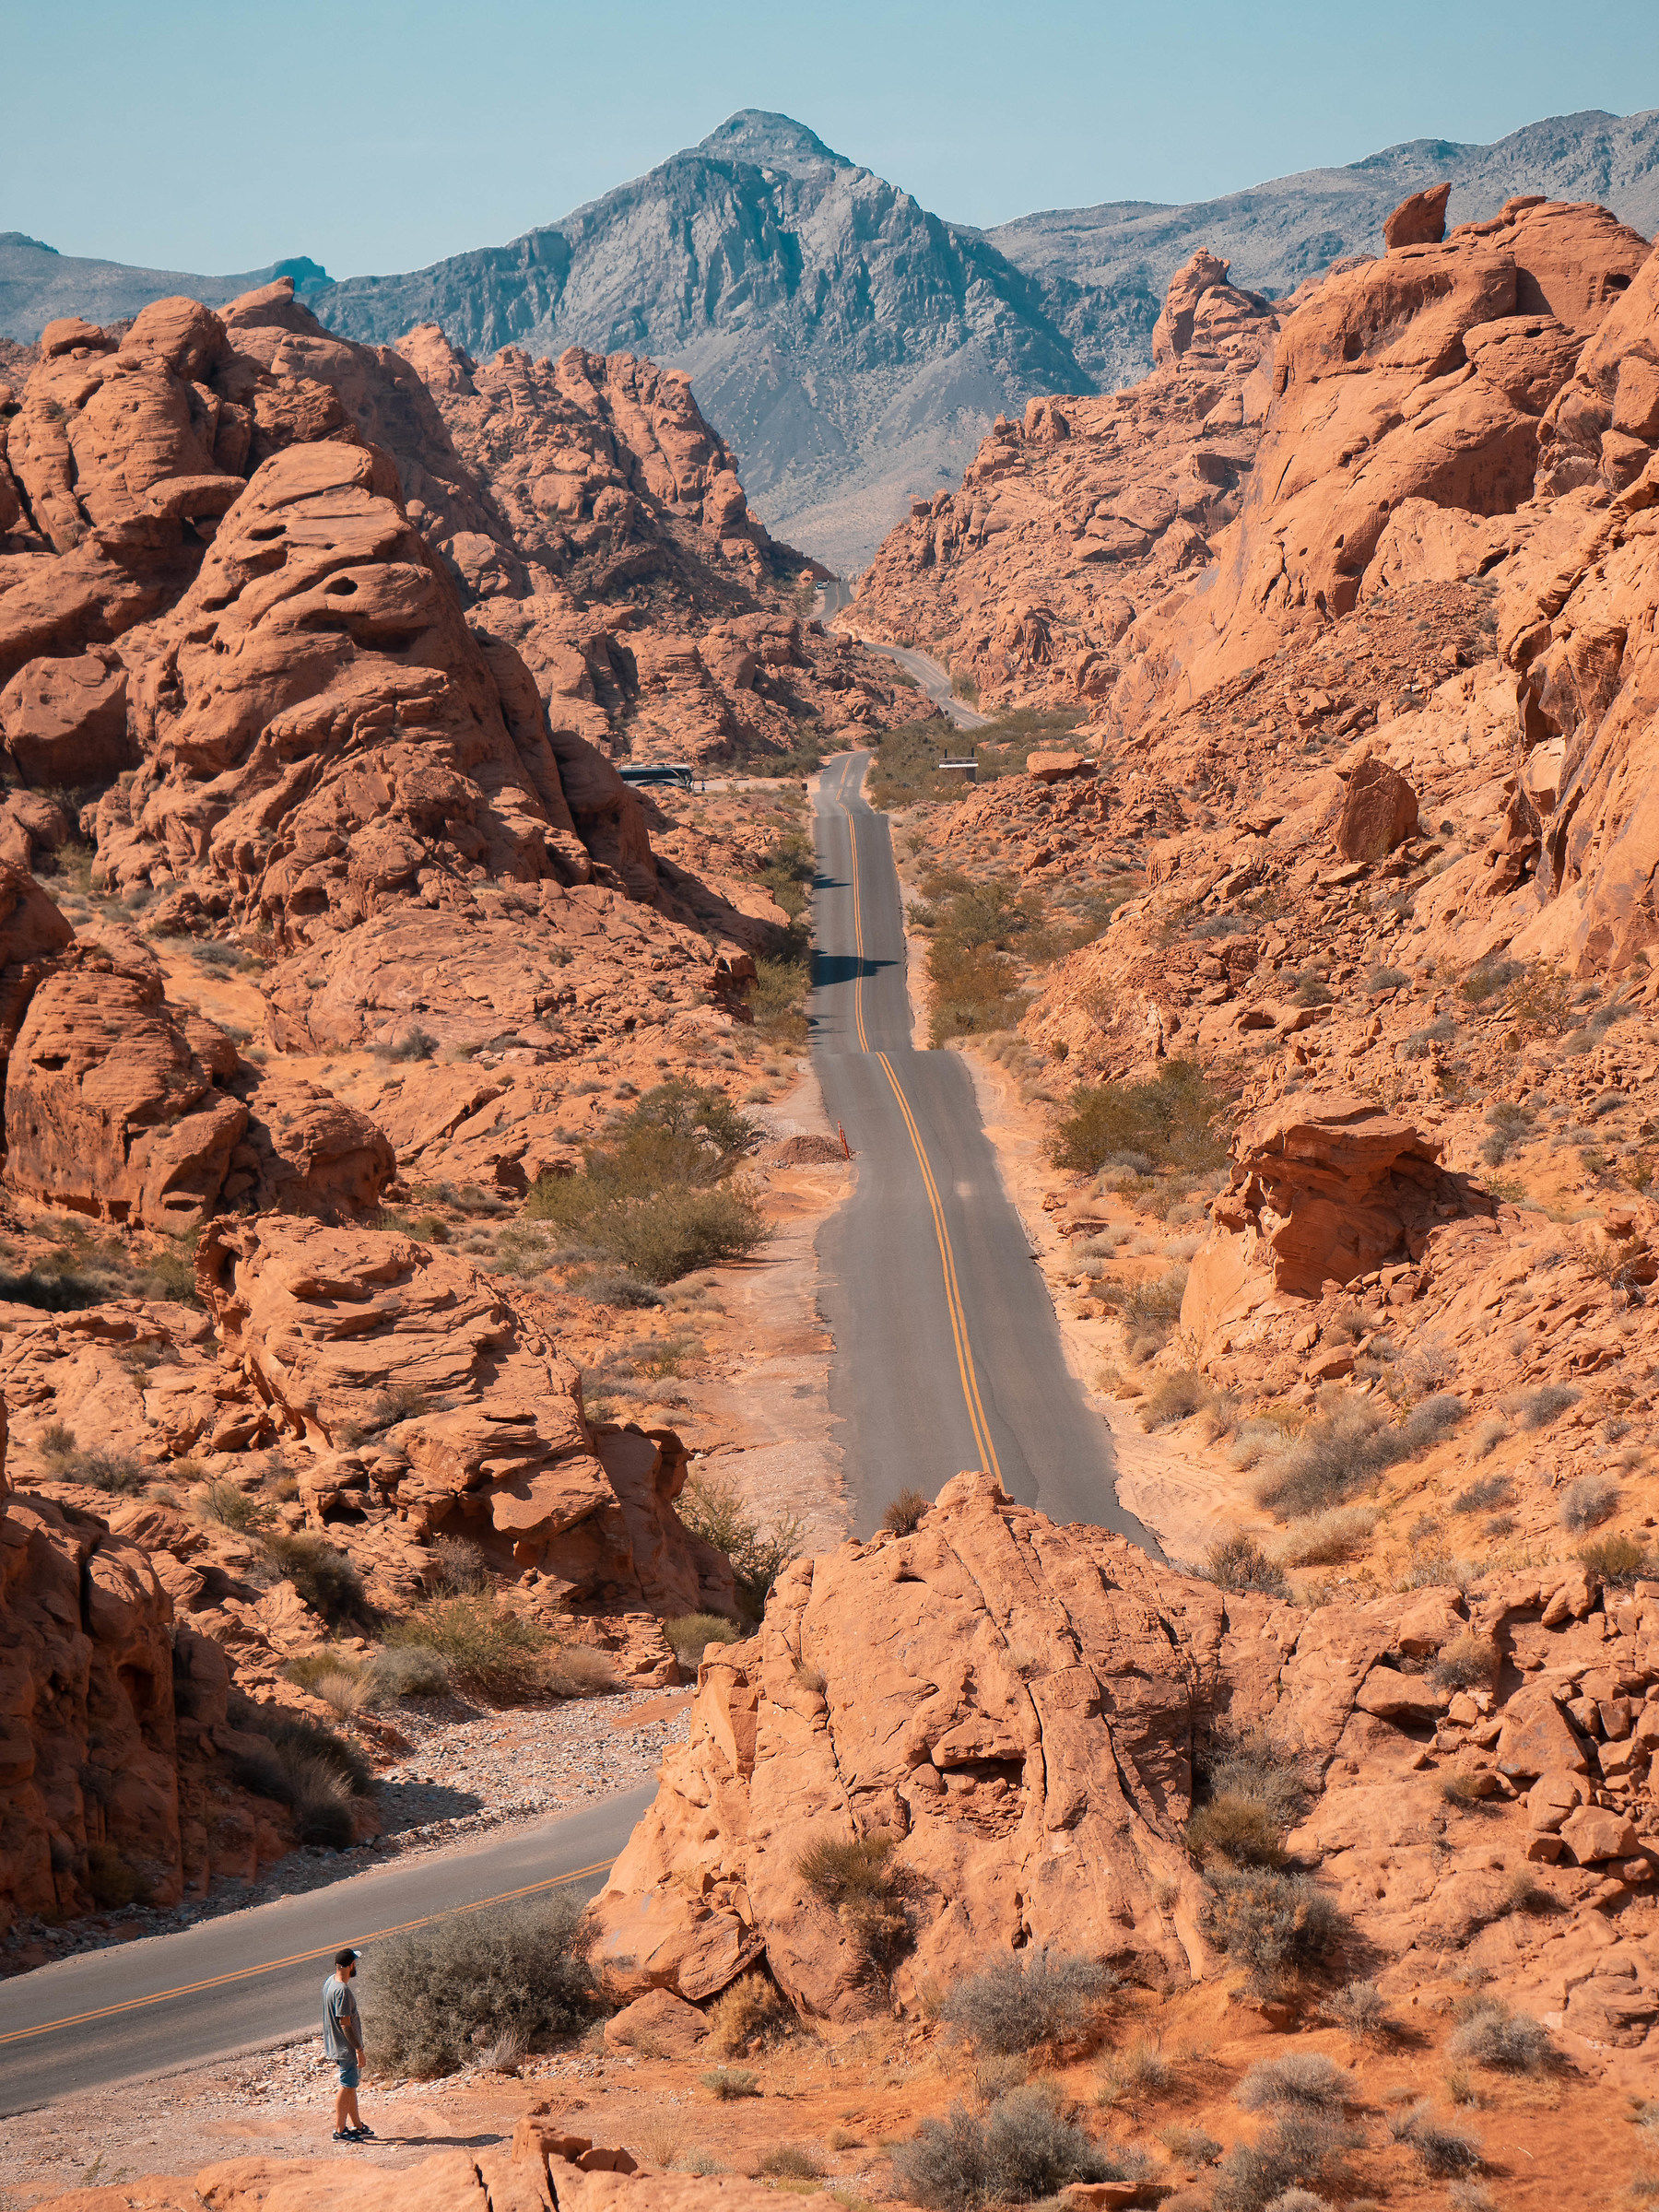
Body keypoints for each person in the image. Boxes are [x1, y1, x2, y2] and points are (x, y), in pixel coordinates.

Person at [323, 1947, 375, 2142]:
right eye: (355, 1963)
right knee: (346, 2086)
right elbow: (345, 2024)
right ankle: (339, 2130)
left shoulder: (330, 1982)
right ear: (350, 1965)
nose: (355, 1966)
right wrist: (359, 2049)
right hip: (346, 2048)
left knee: (351, 2086)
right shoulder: (342, 1991)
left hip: (336, 2044)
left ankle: (358, 2126)